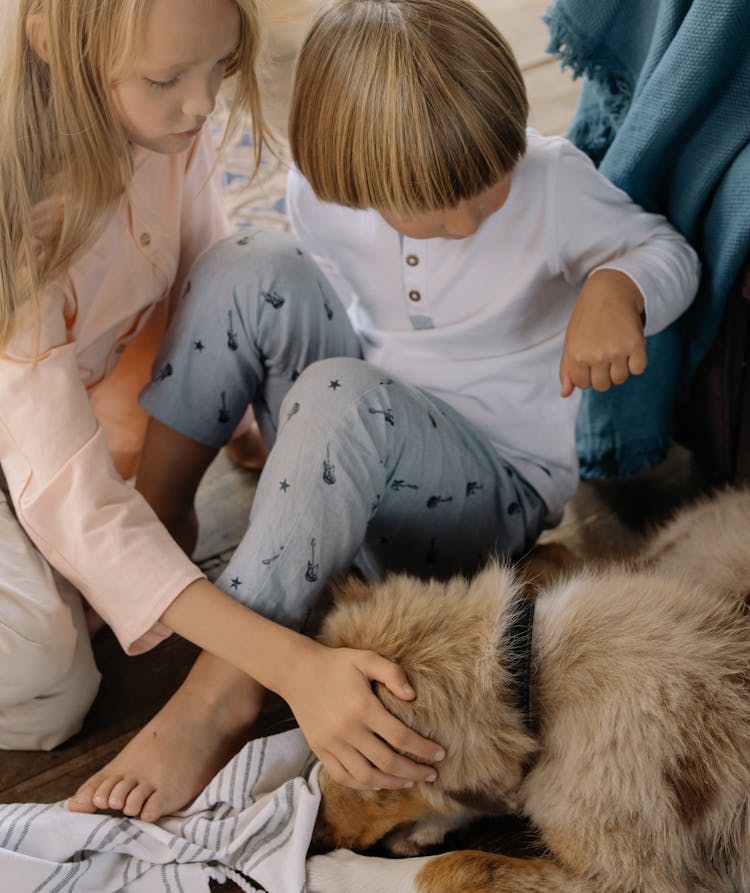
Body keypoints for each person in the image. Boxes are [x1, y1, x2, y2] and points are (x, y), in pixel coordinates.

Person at [70, 0, 701, 821]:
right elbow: (349, 312)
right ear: (351, 185)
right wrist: (295, 426)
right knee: (245, 264)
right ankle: (157, 531)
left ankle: (220, 695)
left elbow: (667, 252)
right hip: (364, 424)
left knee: (340, 395)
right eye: (435, 208)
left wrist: (618, 286)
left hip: (486, 488)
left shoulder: (550, 188)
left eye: (490, 179)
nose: (472, 216)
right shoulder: (321, 198)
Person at [0, 0, 443, 813]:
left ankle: (144, 570)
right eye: (168, 77)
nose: (203, 103)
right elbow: (73, 494)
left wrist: (235, 423)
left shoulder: (164, 122)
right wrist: (291, 665)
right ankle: (170, 638)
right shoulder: (17, 224)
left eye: (221, 64)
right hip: (28, 442)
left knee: (255, 259)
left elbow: (195, 281)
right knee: (50, 680)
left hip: (64, 415)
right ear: (53, 50)